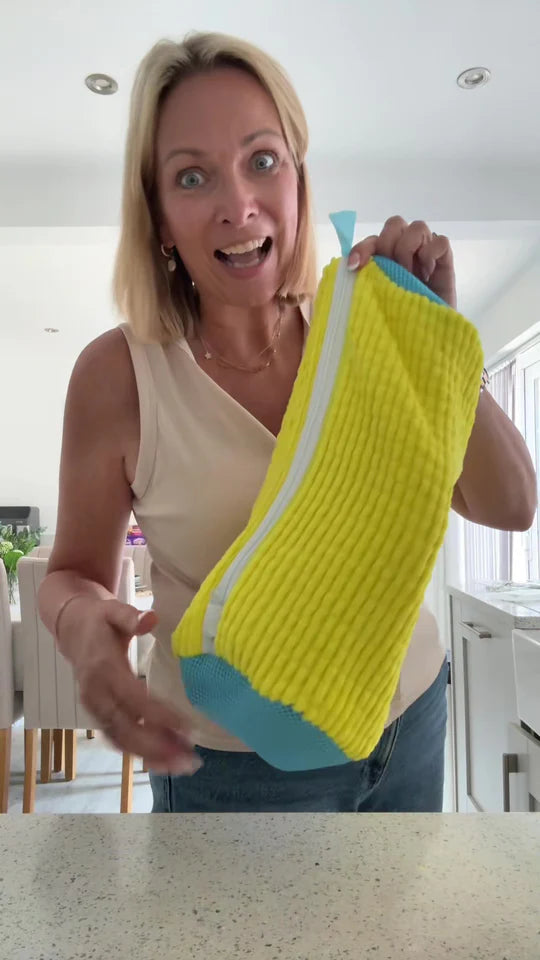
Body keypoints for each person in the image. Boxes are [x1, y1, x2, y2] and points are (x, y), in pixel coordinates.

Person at [38, 32, 536, 813]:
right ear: (159, 217)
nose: (238, 204)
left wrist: (437, 339)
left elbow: (512, 505)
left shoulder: (361, 332)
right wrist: (79, 626)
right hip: (233, 764)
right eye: (192, 176)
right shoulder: (118, 377)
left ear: (299, 181)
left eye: (262, 160)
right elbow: (72, 573)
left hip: (409, 718)